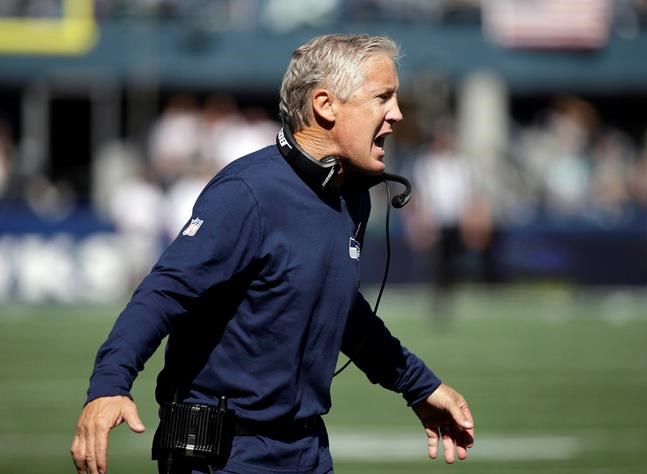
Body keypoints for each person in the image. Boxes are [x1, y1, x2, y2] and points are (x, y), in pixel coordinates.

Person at [70, 33, 475, 474]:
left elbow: (339, 309)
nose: (396, 114)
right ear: (325, 105)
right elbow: (164, 293)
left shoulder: (350, 194)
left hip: (307, 451)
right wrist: (109, 385)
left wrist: (419, 385)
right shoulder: (247, 194)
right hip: (221, 456)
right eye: (383, 98)